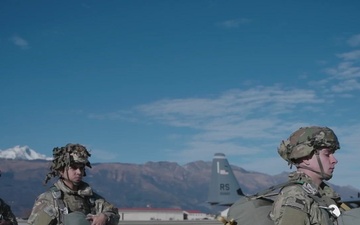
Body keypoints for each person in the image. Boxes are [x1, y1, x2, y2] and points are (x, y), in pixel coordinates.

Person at [27, 144, 120, 225]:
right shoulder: (49, 200)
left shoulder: (90, 198)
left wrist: (104, 217)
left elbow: (114, 213)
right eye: (74, 168)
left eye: (81, 168)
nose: (79, 172)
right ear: (61, 170)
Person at [270, 126, 342, 225]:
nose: (334, 160)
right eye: (327, 154)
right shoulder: (296, 195)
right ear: (306, 157)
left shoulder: (322, 194)